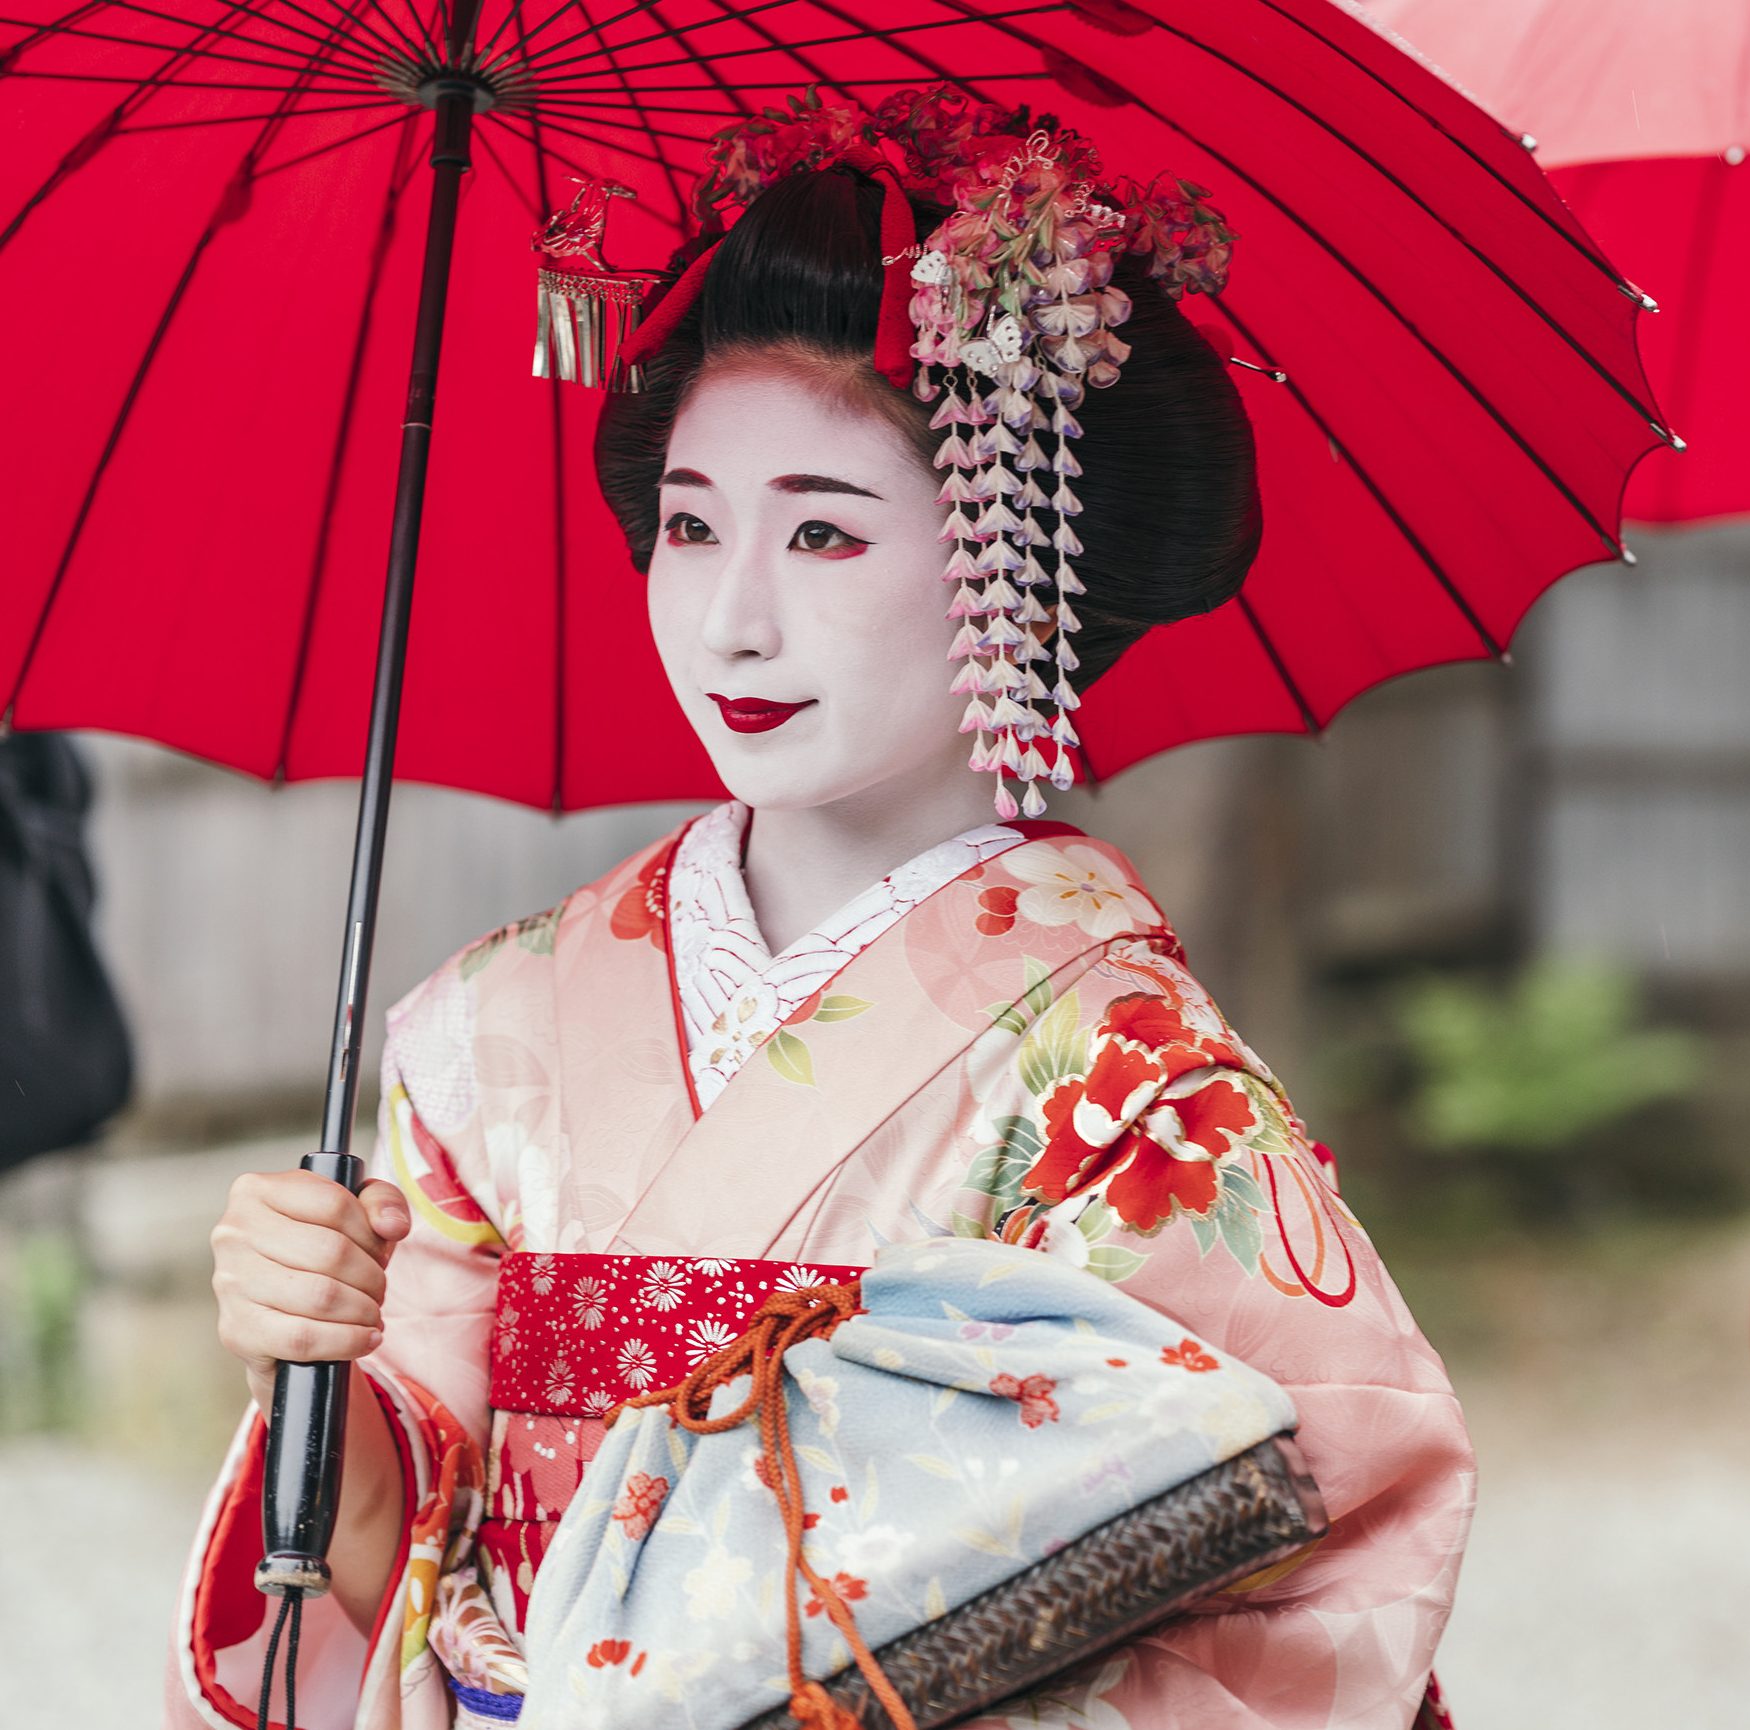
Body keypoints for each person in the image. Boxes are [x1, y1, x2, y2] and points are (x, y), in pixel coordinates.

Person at [174, 90, 1472, 1730]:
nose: (730, 615)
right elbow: (397, 1534)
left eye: (821, 531)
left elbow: (1325, 1524)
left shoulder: (1125, 1070)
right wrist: (313, 1367)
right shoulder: (491, 1025)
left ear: (1005, 556)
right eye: (693, 524)